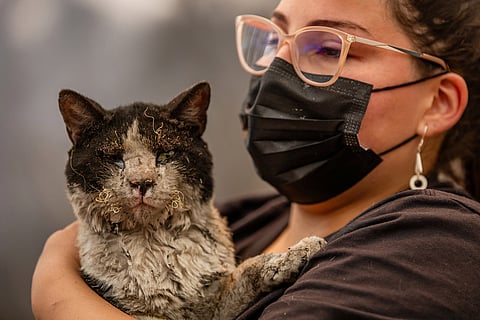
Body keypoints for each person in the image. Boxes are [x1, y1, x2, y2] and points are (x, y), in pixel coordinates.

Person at [32, 0, 480, 319]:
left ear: (438, 102)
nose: (277, 70)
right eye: (274, 40)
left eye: (327, 48)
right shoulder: (235, 221)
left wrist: (57, 290)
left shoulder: (440, 247)